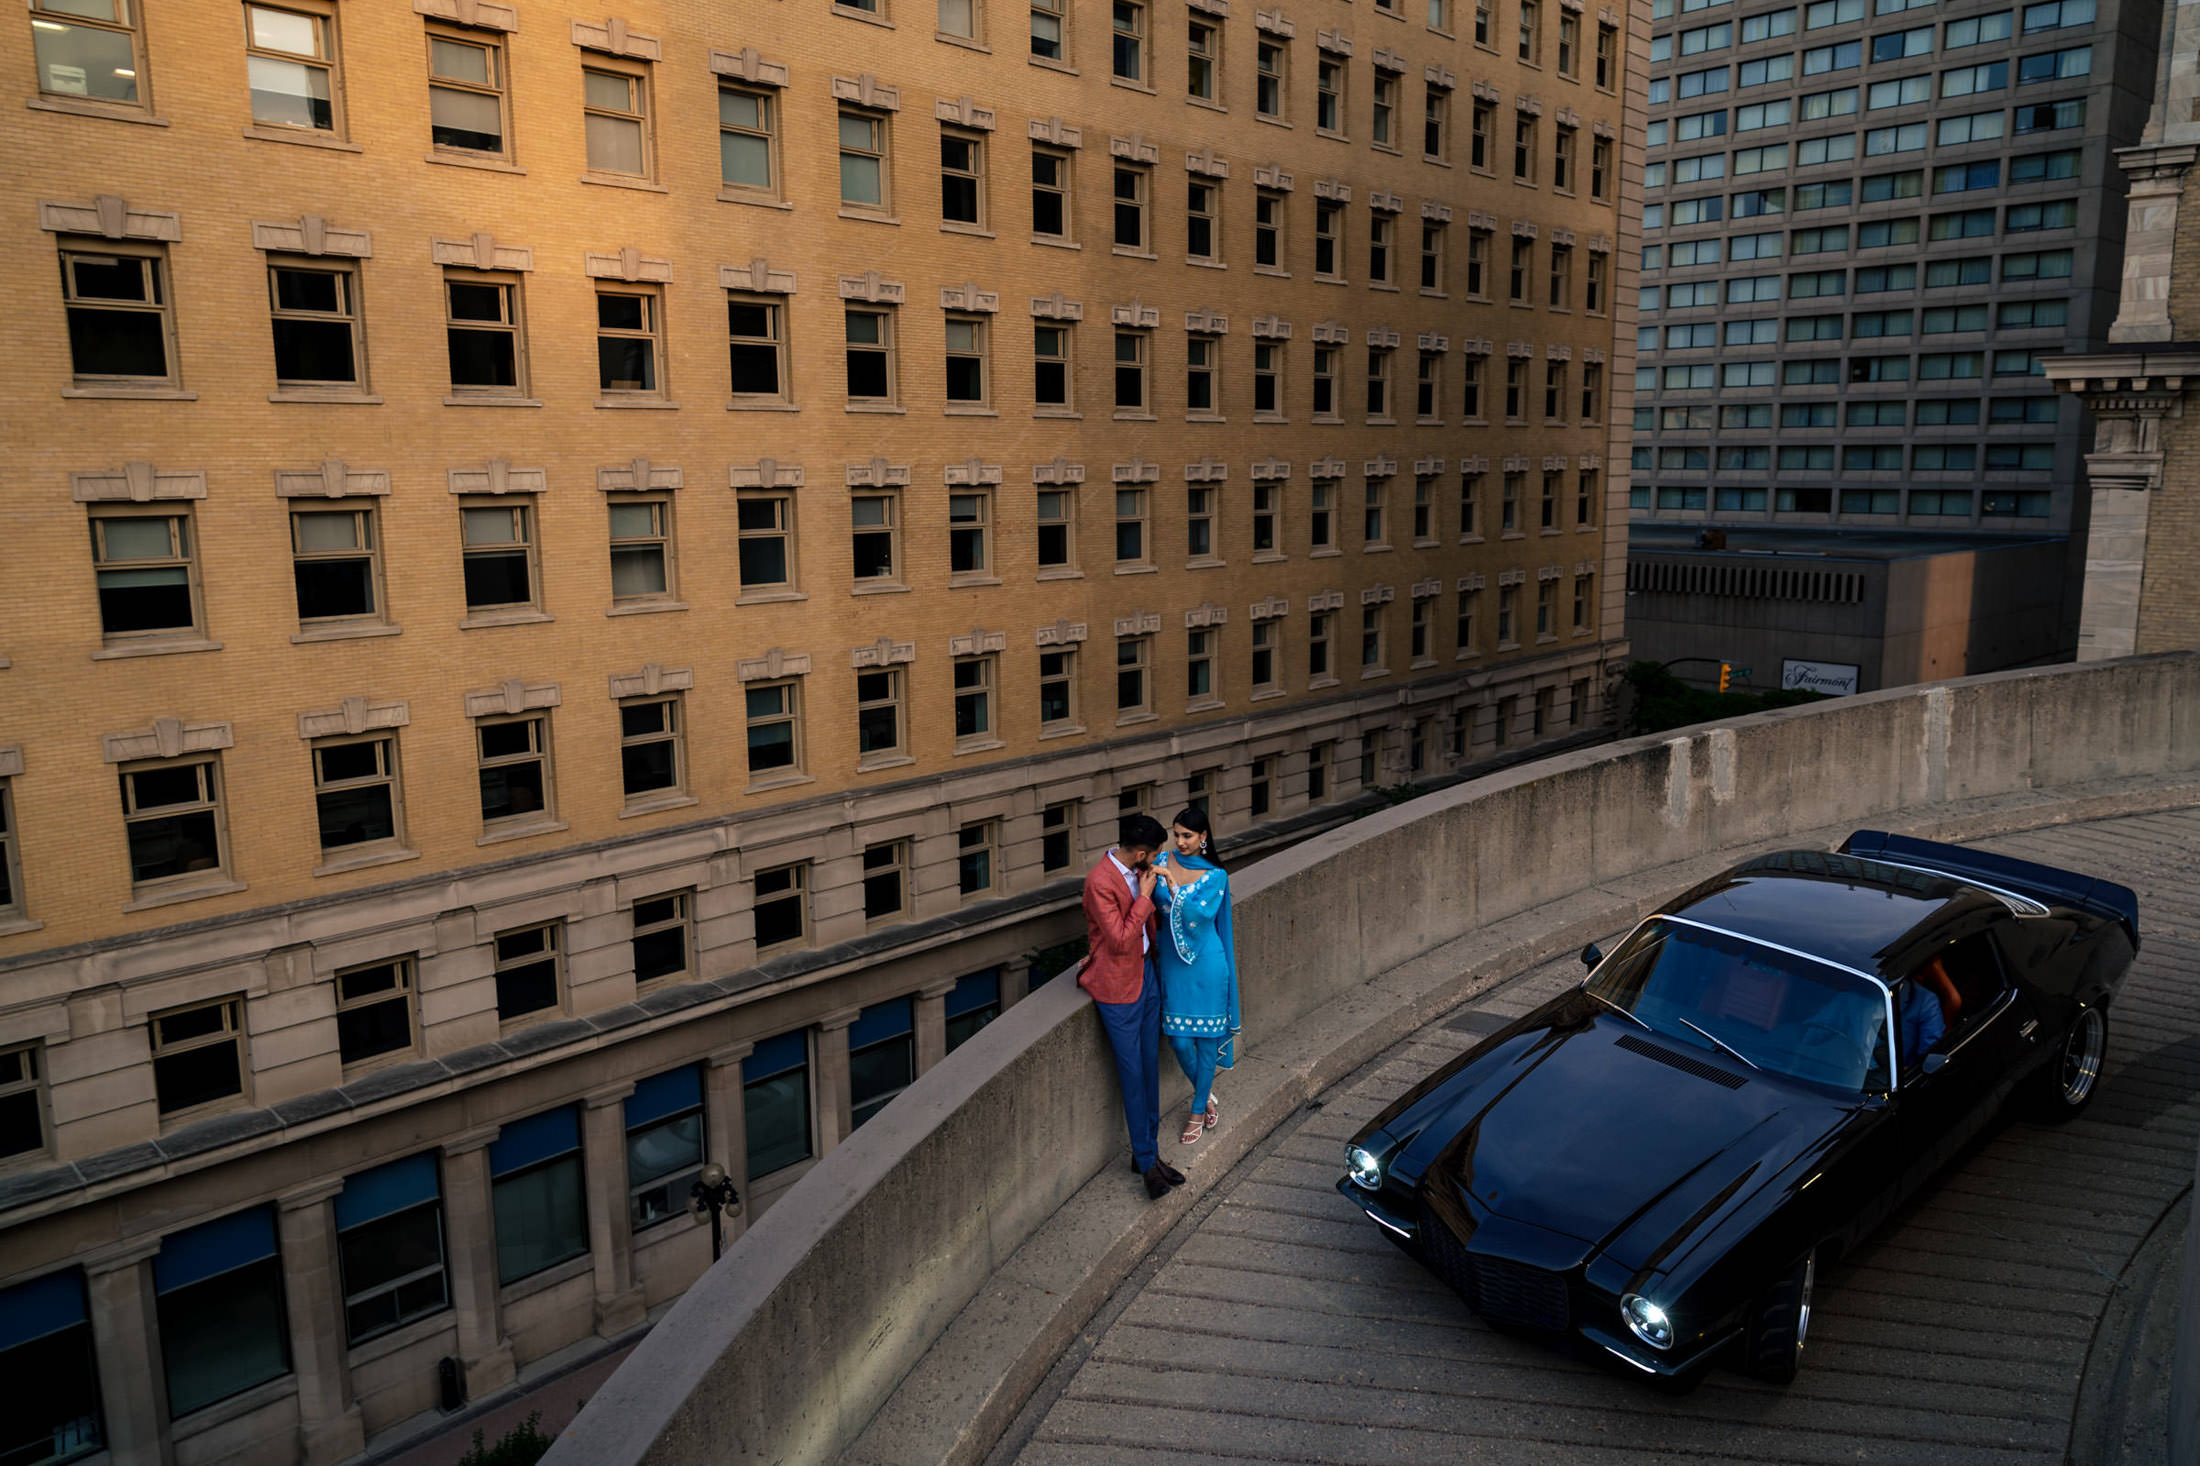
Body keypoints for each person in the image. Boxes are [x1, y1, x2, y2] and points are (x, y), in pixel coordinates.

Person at [1081, 814, 1186, 1200]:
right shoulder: (1099, 881)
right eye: (1154, 853)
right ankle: (1146, 1163)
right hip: (1118, 992)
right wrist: (1143, 897)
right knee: (1132, 1077)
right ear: (1140, 852)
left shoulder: (1143, 869)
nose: (1156, 859)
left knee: (1149, 1072)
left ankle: (1149, 1154)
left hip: (1147, 980)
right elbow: (1122, 939)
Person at [1152, 806, 1242, 1146]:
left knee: (1205, 1042)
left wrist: (1172, 883)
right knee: (1178, 1040)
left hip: (1206, 962)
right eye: (1176, 834)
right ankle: (1206, 1097)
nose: (1180, 841)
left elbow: (1196, 916)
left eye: (1187, 835)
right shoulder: (1162, 858)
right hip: (1173, 963)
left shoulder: (1215, 876)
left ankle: (1196, 1110)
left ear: (1203, 837)